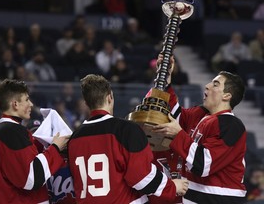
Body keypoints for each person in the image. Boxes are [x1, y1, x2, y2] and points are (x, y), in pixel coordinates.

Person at [67, 74, 189, 203]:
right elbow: (141, 177)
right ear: (110, 97)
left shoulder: (74, 138)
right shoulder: (126, 130)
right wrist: (172, 187)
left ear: (86, 103)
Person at [151, 54, 247, 203]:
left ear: (227, 95)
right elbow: (172, 117)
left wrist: (178, 134)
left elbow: (203, 165)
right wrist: (165, 78)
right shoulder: (201, 114)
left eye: (215, 84)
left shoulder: (231, 124)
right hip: (194, 197)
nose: (207, 85)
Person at [0, 79, 70, 203]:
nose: (31, 104)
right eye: (26, 100)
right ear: (15, 104)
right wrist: (55, 148)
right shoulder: (12, 131)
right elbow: (31, 178)